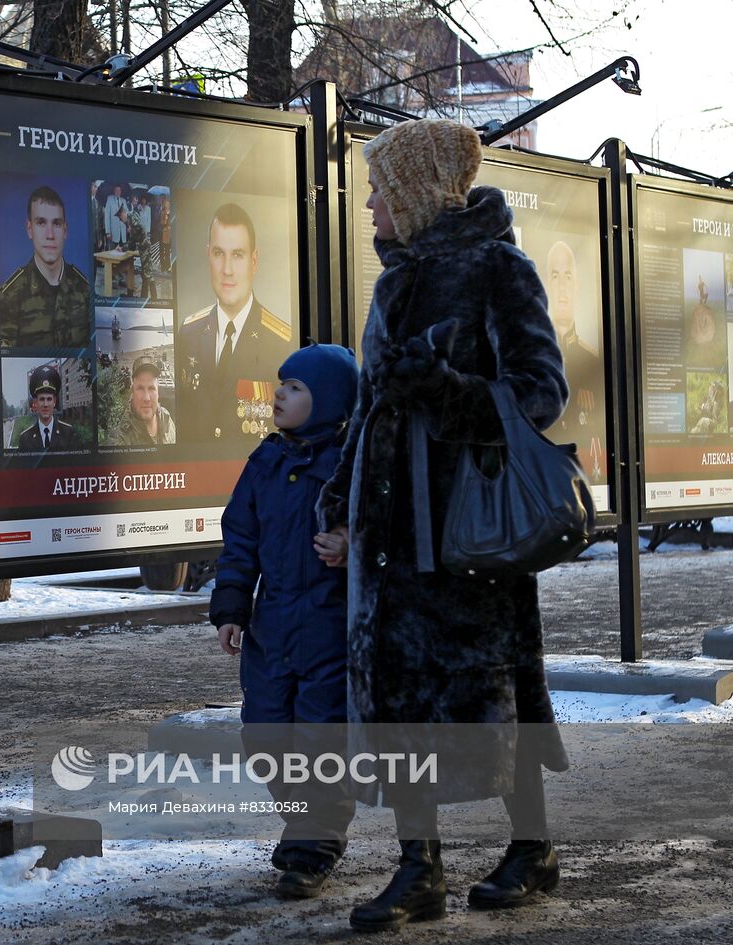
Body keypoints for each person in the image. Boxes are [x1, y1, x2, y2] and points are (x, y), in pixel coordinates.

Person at [316, 118, 569, 933]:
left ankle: (531, 848)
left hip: (469, 536)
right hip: (390, 539)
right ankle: (417, 866)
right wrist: (336, 497)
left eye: (382, 189)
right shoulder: (392, 284)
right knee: (399, 697)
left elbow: (541, 392)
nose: (372, 208)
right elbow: (369, 406)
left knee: (495, 694)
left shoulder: (500, 268)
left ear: (419, 189)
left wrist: (451, 389)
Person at [212, 342, 360, 900]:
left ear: (328, 401)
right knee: (266, 734)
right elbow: (240, 540)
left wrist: (350, 544)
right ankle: (305, 822)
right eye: (281, 384)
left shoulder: (352, 465)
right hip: (271, 628)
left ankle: (312, 841)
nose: (279, 394)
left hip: (332, 627)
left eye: (296, 388)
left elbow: (391, 529)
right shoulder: (265, 461)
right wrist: (231, 607)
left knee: (322, 737)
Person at [177, 203, 292, 443]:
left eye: (237, 255)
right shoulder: (188, 334)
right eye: (219, 253)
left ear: (254, 261)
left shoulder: (282, 344)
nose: (227, 270)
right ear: (208, 255)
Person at [0, 186, 91, 349]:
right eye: (41, 223)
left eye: (56, 223)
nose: (50, 235)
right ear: (30, 229)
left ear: (65, 230)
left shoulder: (85, 289)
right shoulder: (10, 297)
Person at [544, 239, 604, 450]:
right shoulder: (535, 360)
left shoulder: (594, 361)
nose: (561, 286)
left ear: (576, 286)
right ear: (547, 285)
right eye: (555, 276)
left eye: (567, 276)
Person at [106, 356, 176, 446]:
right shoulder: (119, 441)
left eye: (151, 388)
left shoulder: (166, 418)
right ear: (132, 391)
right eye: (140, 388)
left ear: (158, 392)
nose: (146, 398)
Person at [16, 363, 76, 451]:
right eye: (41, 399)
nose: (45, 404)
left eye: (49, 399)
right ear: (35, 403)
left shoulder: (68, 433)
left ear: (54, 402)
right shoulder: (25, 438)